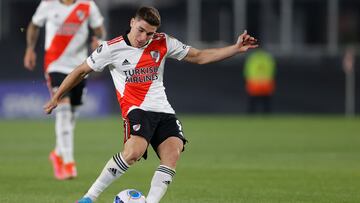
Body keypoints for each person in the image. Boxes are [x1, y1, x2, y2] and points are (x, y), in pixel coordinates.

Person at [43, 6, 258, 203]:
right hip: (136, 109)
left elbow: (200, 56)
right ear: (132, 22)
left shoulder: (163, 42)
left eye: (150, 33)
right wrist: (56, 97)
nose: (144, 37)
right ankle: (89, 198)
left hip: (163, 110)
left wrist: (235, 49)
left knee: (173, 152)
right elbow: (80, 71)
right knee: (133, 152)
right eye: (141, 30)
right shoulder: (110, 49)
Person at [24, 0, 105, 180]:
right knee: (63, 108)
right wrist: (30, 49)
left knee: (72, 114)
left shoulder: (87, 5)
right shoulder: (48, 4)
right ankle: (68, 163)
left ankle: (57, 153)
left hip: (79, 66)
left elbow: (99, 28)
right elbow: (34, 25)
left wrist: (98, 40)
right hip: (55, 65)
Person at [243, 49, 276, 114]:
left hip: (254, 83)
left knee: (253, 103)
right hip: (266, 83)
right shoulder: (267, 58)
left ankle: (251, 118)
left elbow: (246, 71)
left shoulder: (252, 58)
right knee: (266, 103)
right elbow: (273, 70)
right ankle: (267, 118)